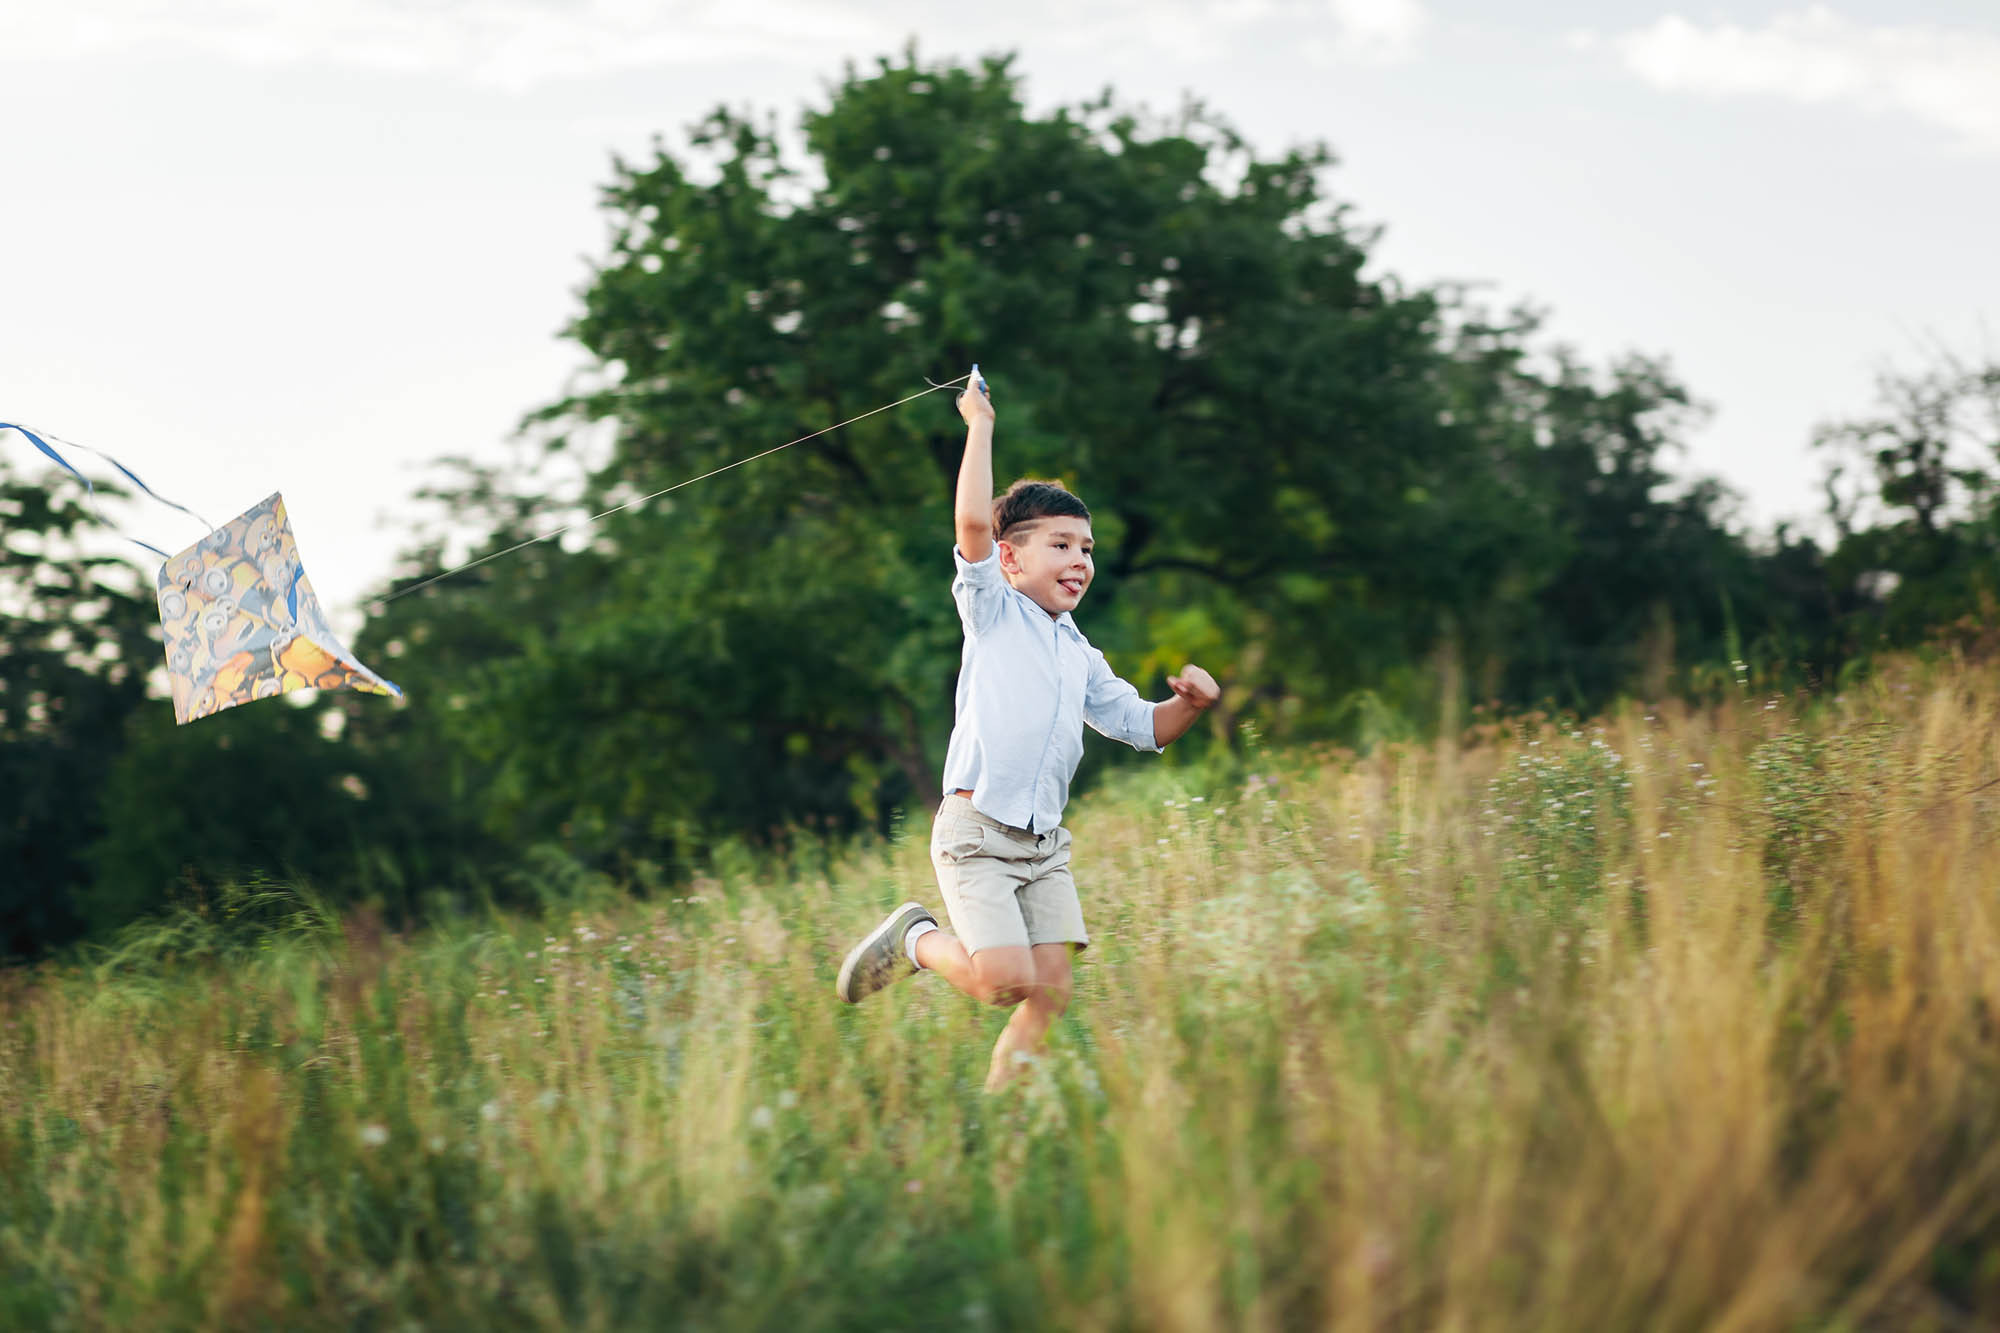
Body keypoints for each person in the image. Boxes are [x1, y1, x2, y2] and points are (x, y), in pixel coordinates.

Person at [835, 364, 1221, 1092]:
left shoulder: (1079, 653)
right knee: (1002, 981)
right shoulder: (991, 609)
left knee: (1052, 990)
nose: (1080, 560)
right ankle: (916, 940)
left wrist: (1192, 706)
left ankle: (998, 1112)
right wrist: (980, 426)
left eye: (1087, 549)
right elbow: (973, 523)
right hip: (978, 830)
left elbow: (1142, 726)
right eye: (1061, 544)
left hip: (1043, 846)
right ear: (1010, 559)